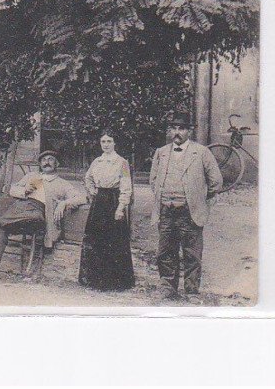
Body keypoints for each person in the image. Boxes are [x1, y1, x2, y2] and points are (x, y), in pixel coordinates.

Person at [149, 110, 224, 303]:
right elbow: (153, 180)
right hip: (166, 210)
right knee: (165, 251)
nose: (177, 132)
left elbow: (216, 181)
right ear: (169, 131)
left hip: (189, 212)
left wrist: (198, 198)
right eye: (173, 128)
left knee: (191, 253)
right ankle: (168, 288)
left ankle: (191, 291)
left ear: (188, 131)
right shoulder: (161, 153)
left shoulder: (201, 153)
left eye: (181, 128)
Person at [0, 150, 85, 281]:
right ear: (40, 164)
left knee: (36, 217)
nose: (47, 162)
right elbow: (12, 189)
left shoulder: (62, 183)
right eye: (44, 160)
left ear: (57, 164)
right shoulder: (32, 177)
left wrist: (64, 203)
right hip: (19, 209)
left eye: (51, 159)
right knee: (1, 230)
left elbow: (81, 197)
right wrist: (24, 190)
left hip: (38, 214)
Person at [78, 130, 135, 291]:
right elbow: (88, 178)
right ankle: (94, 279)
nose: (106, 145)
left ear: (115, 143)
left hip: (113, 201)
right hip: (99, 203)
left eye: (109, 141)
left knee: (114, 240)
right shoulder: (97, 161)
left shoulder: (122, 163)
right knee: (96, 239)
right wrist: (92, 191)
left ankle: (114, 282)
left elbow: (126, 186)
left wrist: (121, 207)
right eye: (103, 141)